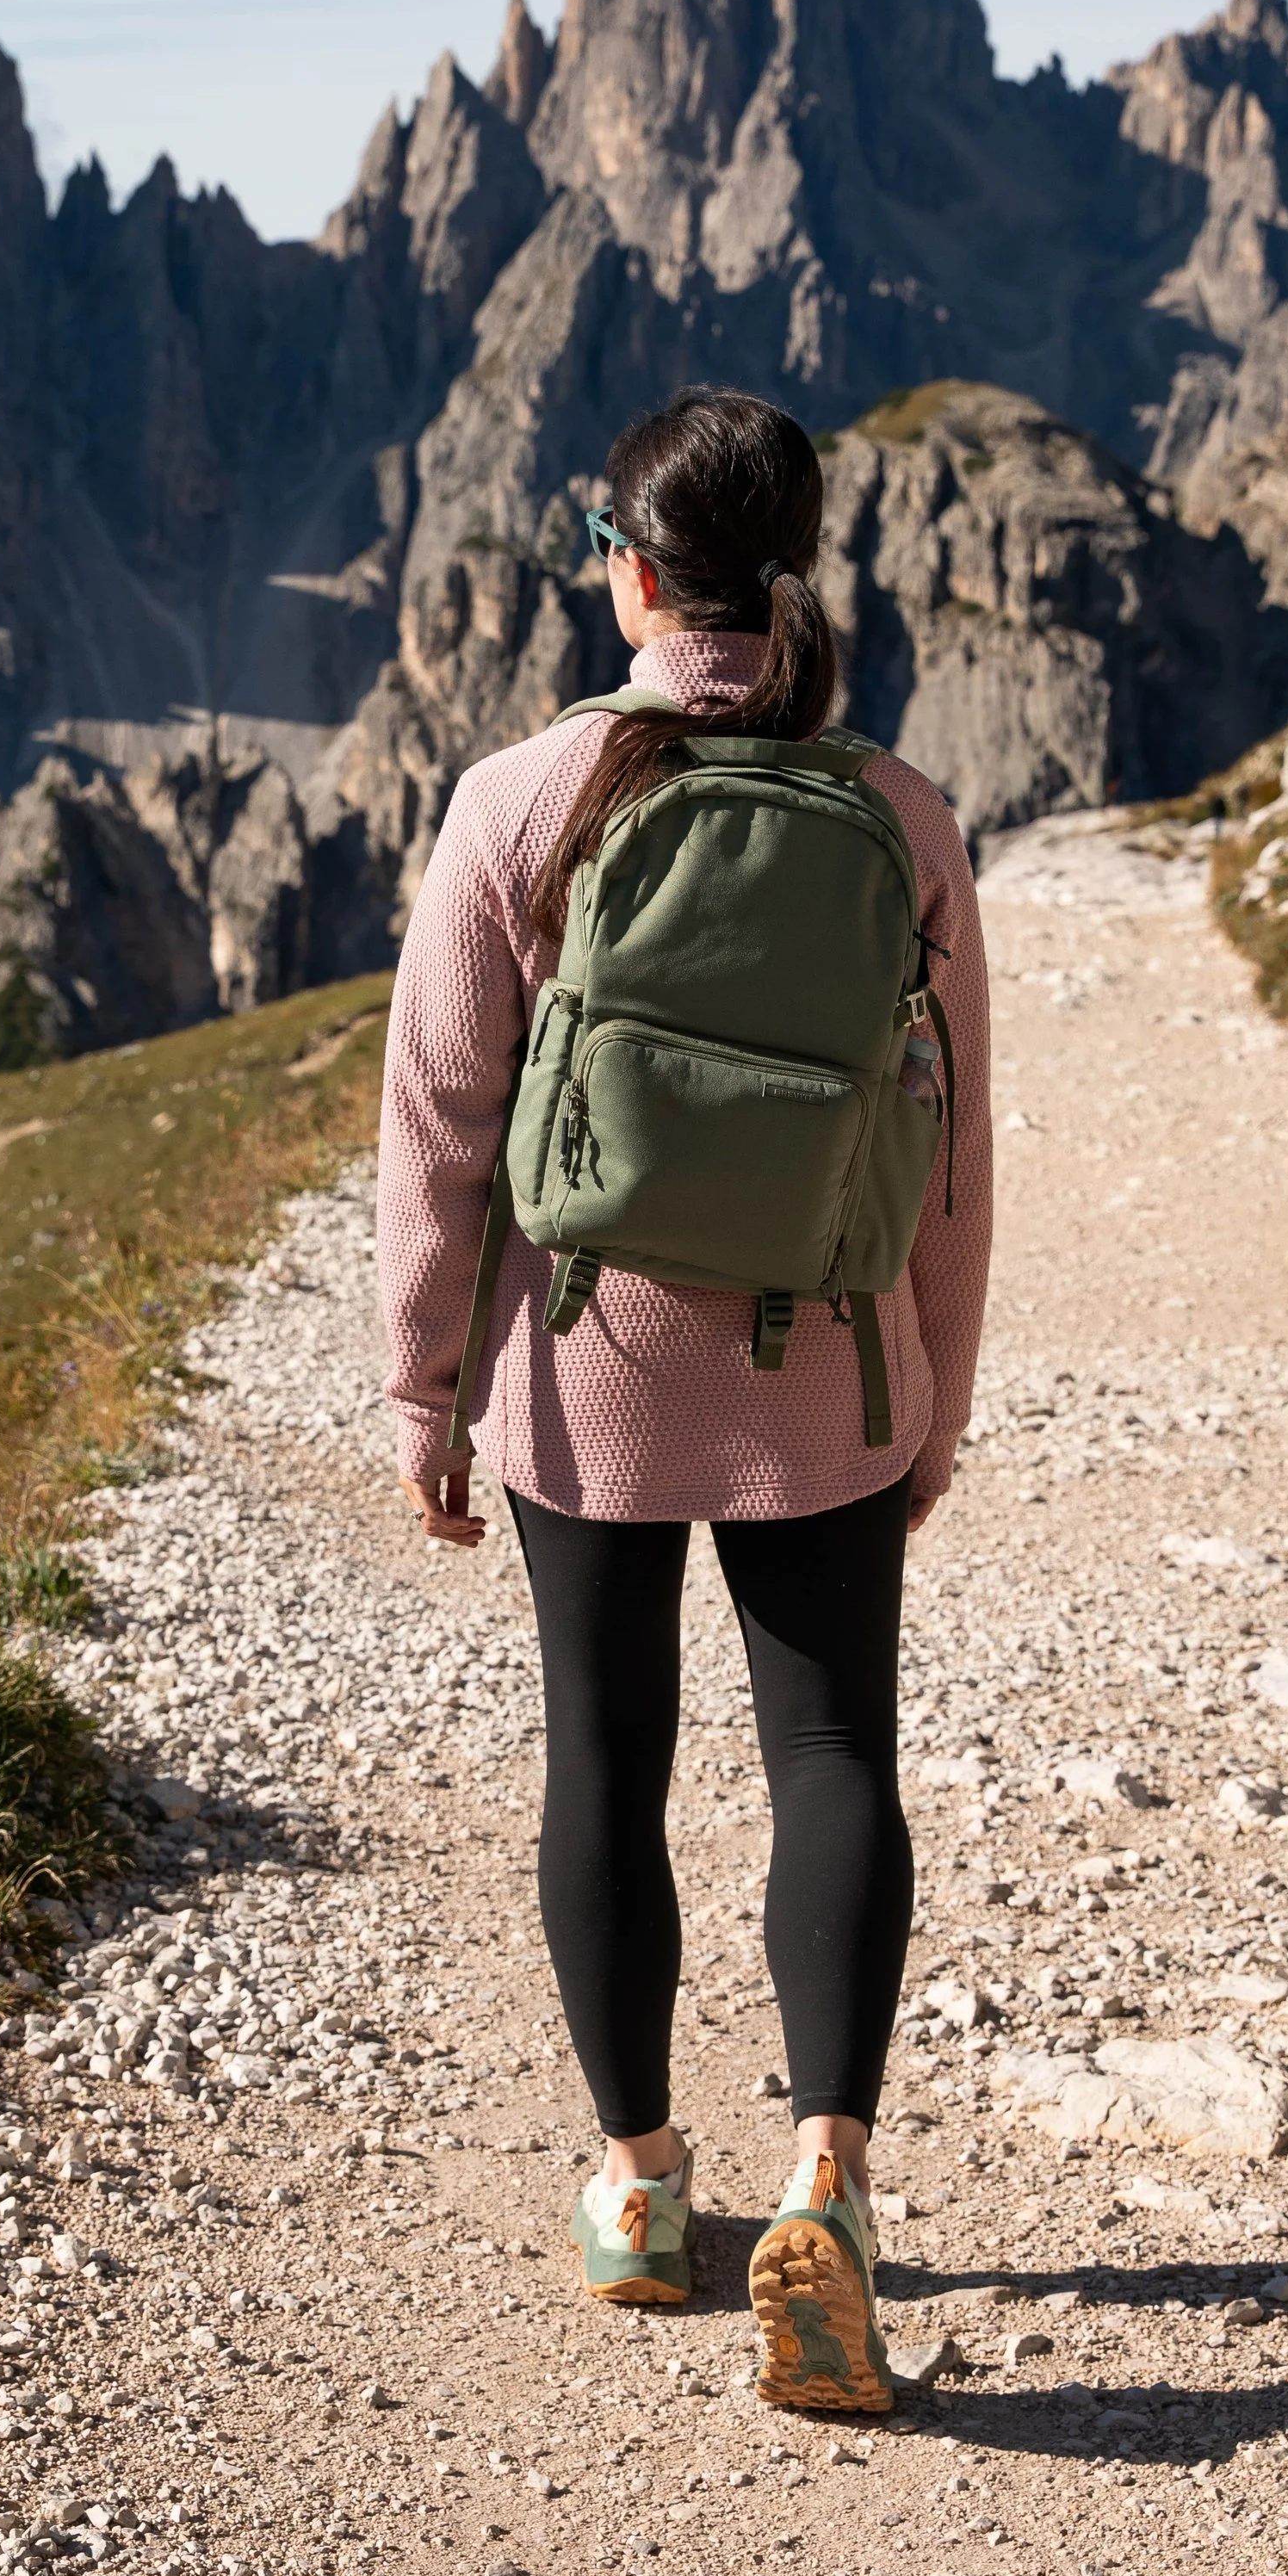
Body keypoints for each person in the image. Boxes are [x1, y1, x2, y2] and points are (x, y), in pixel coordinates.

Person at [376, 384, 993, 2415]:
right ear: (787, 572)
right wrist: (930, 1395)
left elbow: (441, 1132)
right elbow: (951, 1145)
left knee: (602, 1763)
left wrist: (425, 1390)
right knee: (830, 1755)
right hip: (827, 1357)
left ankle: (641, 2187)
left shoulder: (516, 803)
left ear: (629, 574)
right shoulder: (897, 814)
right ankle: (826, 2171)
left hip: (587, 1372)